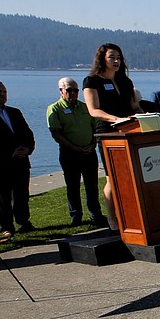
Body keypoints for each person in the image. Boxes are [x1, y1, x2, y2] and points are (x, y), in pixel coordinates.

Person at [83, 43, 139, 231]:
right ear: (102, 59)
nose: (116, 61)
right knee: (112, 178)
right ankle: (112, 218)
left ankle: (132, 214)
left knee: (131, 176)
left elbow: (133, 106)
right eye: (112, 57)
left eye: (119, 58)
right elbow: (93, 110)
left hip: (129, 131)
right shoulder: (92, 81)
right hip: (107, 132)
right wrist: (116, 119)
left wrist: (145, 116)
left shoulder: (125, 81)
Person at [0, 80, 35, 240]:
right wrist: (11, 152)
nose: (2, 95)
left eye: (4, 92)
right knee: (2, 197)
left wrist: (27, 149)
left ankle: (24, 221)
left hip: (21, 161)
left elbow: (27, 133)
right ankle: (6, 226)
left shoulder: (14, 112)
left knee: (22, 194)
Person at [47, 77, 106, 227]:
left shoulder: (85, 107)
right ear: (61, 91)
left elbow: (95, 127)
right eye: (69, 90)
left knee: (92, 185)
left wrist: (92, 144)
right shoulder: (55, 109)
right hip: (70, 154)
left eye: (76, 90)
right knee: (73, 186)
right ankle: (76, 216)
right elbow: (56, 133)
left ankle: (96, 214)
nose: (73, 93)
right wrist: (75, 148)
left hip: (89, 152)